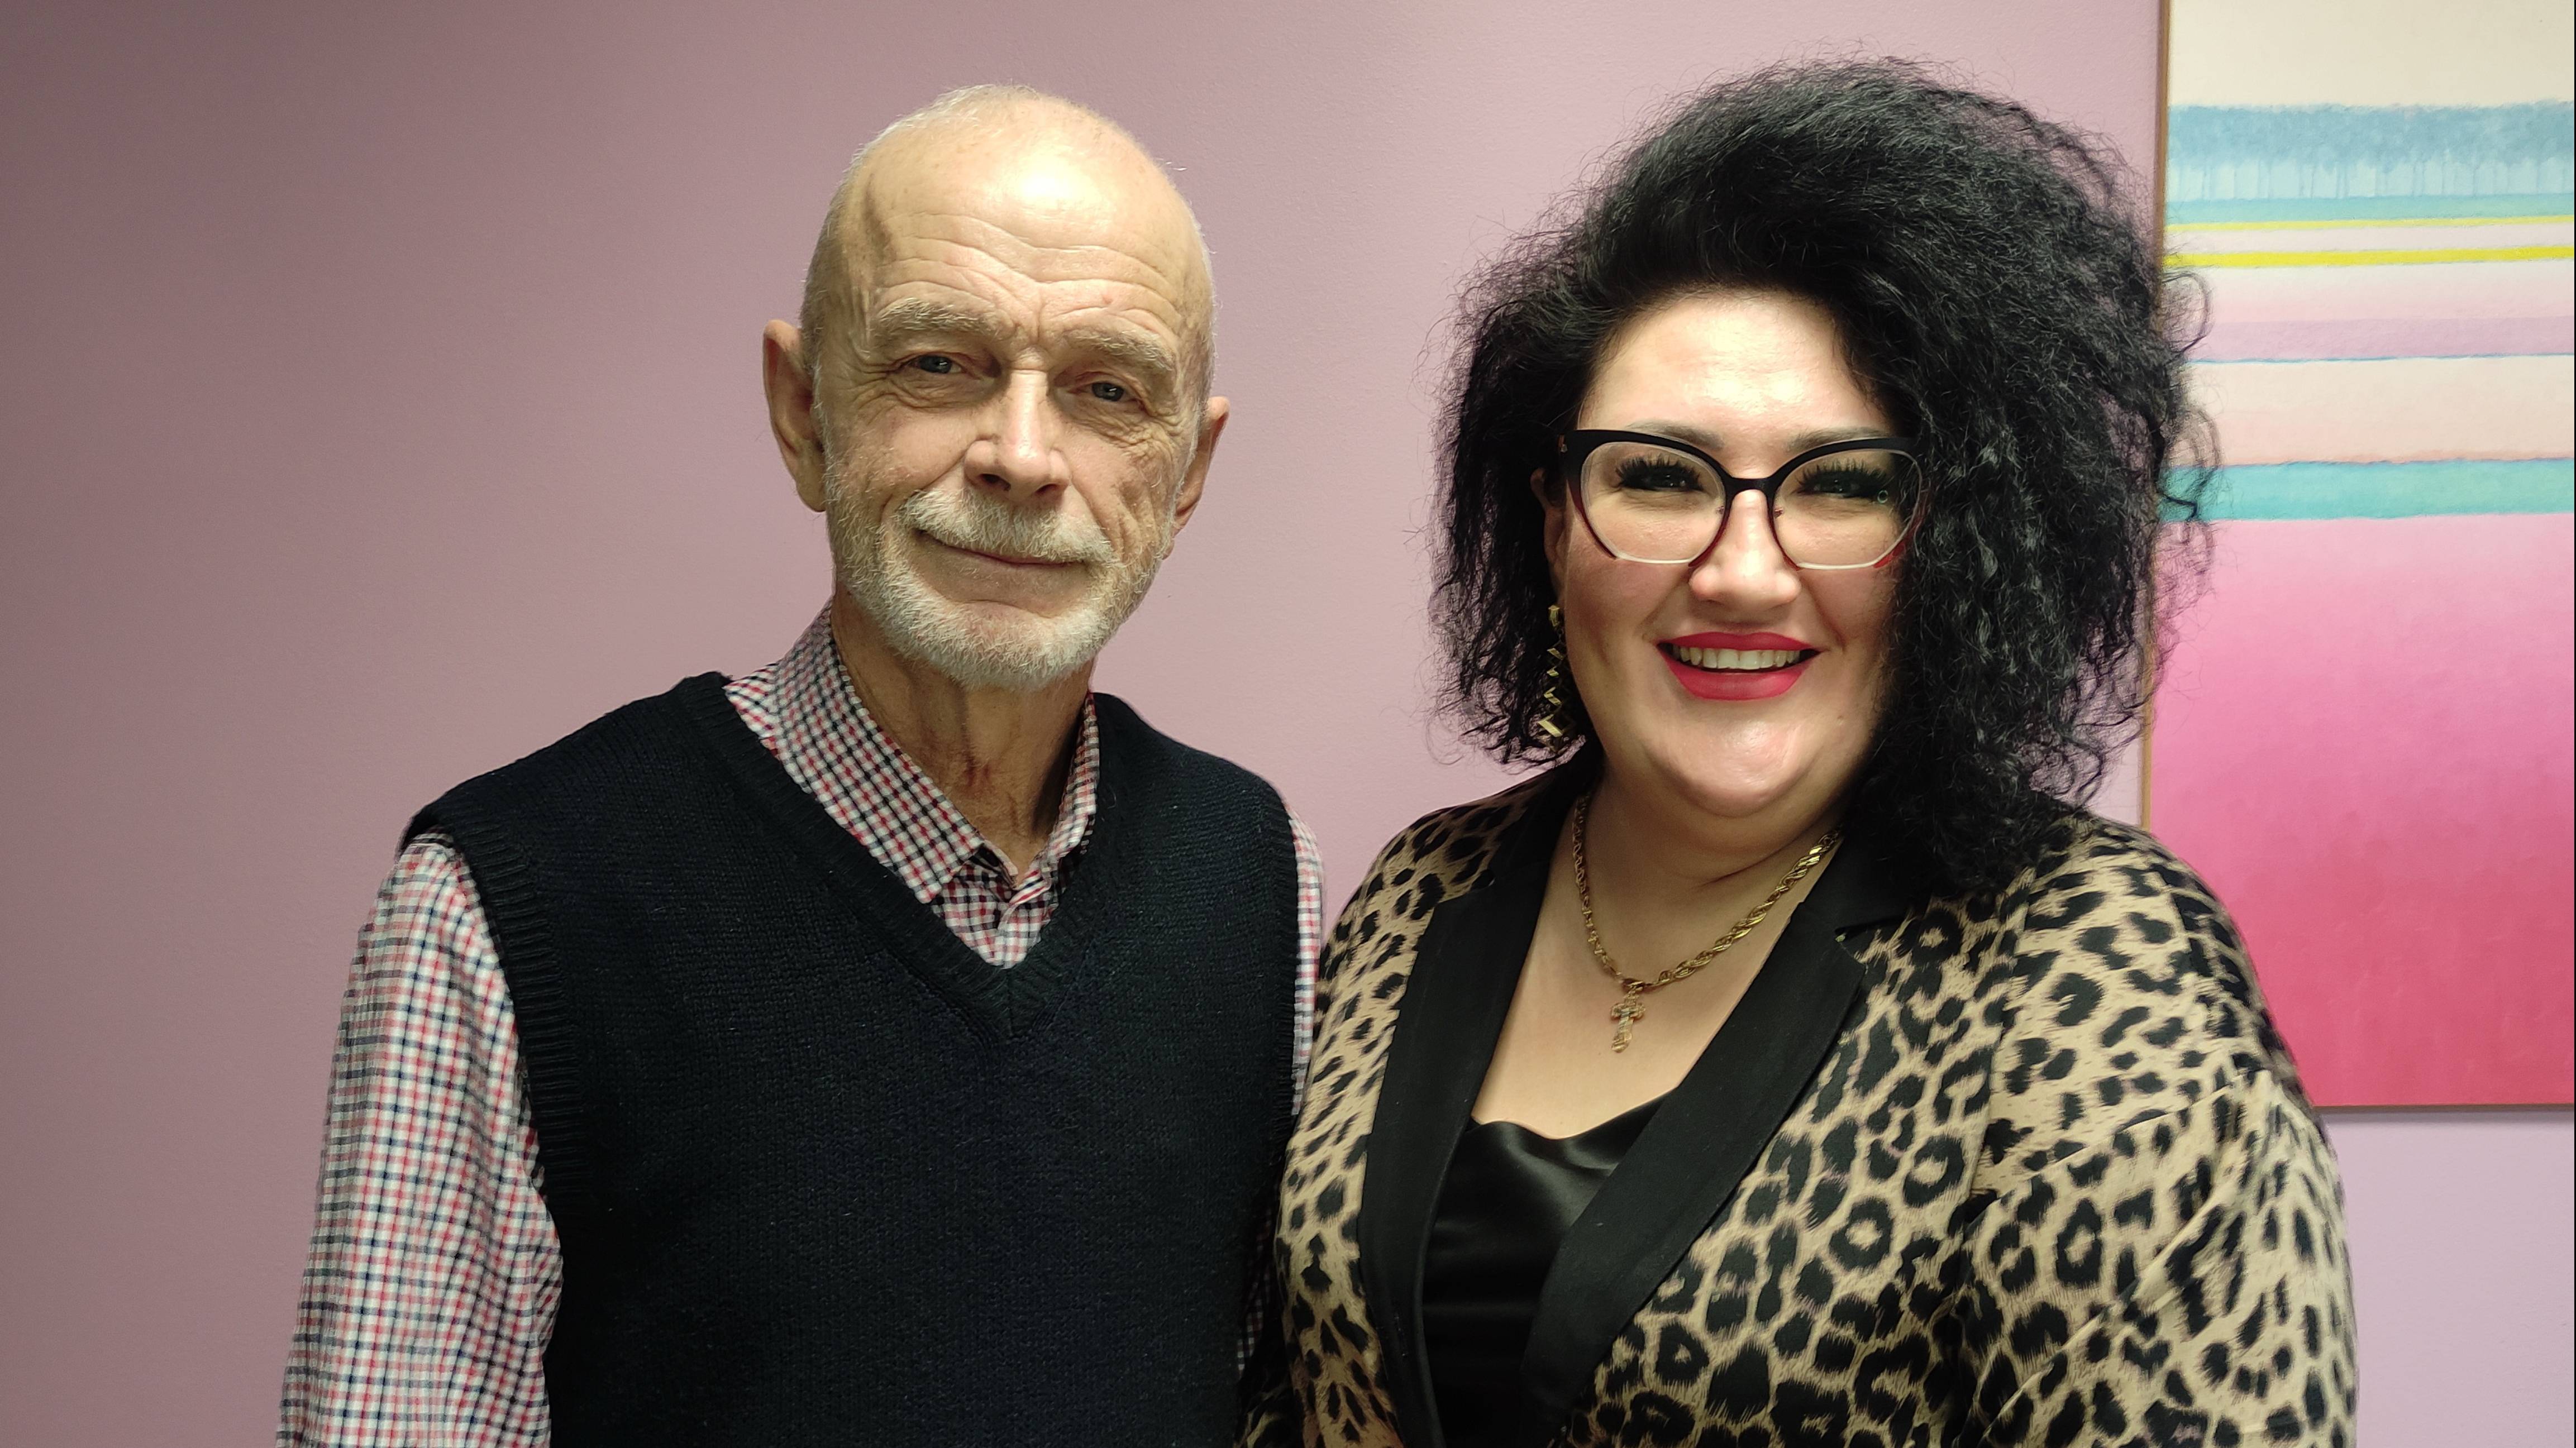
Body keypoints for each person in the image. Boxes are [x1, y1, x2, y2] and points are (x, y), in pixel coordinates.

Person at [1243, 63, 2355, 1447]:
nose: (1740, 570)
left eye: (1838, 485)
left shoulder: (2096, 959)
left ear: (1953, 541)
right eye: (1658, 476)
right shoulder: (1421, 895)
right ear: (1551, 521)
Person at [279, 85, 1322, 1446]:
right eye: (937, 363)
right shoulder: (501, 904)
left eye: (1106, 390)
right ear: (802, 413)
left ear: (1185, 473)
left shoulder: (1253, 875)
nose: (1020, 456)